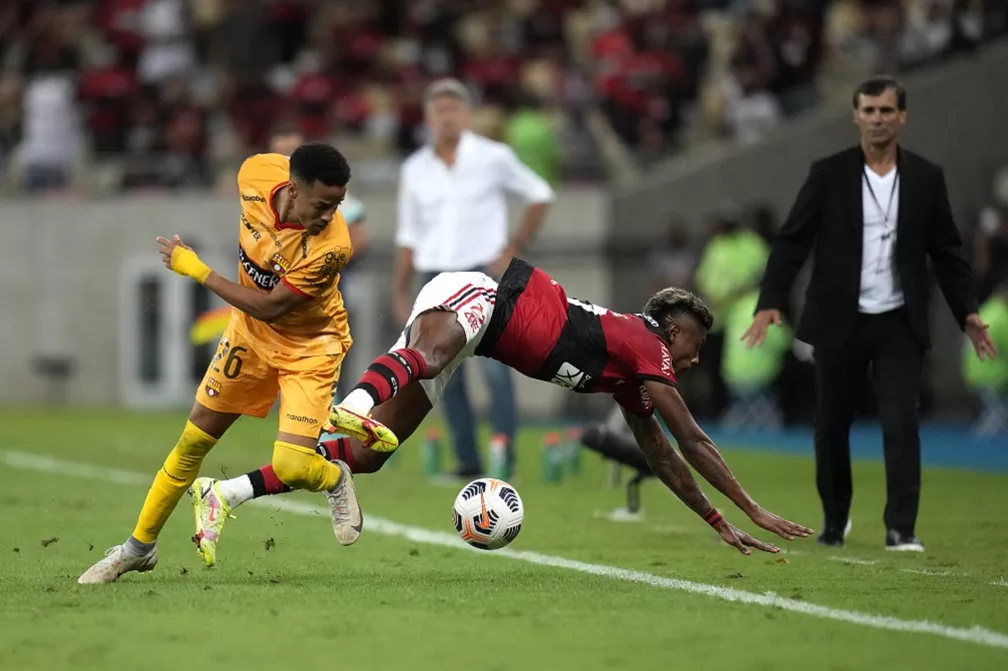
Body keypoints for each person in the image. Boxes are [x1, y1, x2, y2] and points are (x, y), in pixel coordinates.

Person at [197, 258, 812, 561]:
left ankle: (224, 494)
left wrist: (713, 519)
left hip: (480, 338)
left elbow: (663, 455)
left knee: (365, 457)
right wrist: (752, 507)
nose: (696, 360)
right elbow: (695, 441)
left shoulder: (633, 376)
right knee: (428, 360)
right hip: (479, 297)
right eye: (696, 347)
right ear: (674, 331)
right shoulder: (647, 343)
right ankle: (348, 404)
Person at [78, 143, 363, 584]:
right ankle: (137, 548)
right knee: (192, 441)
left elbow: (272, 307)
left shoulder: (332, 247)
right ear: (292, 187)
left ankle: (332, 475)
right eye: (323, 204)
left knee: (291, 467)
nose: (330, 215)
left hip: (310, 346)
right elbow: (260, 315)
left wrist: (197, 270)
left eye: (338, 205)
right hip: (249, 337)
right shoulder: (254, 173)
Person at [742, 75, 998, 552]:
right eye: (869, 111)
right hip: (840, 319)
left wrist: (968, 312)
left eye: (887, 111)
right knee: (832, 425)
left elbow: (947, 252)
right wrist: (771, 299)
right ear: (856, 115)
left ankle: (901, 527)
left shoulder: (925, 177)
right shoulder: (829, 174)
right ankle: (835, 521)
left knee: (902, 421)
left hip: (899, 320)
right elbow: (793, 239)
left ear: (902, 116)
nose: (878, 119)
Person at [393, 77, 555, 479]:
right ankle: (468, 460)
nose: (447, 118)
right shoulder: (415, 169)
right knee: (441, 371)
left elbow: (540, 193)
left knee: (496, 369)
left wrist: (514, 246)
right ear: (429, 117)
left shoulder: (493, 156)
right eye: (439, 110)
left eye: (454, 109)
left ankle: (504, 458)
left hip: (483, 272)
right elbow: (408, 234)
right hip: (434, 275)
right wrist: (401, 287)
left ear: (465, 114)